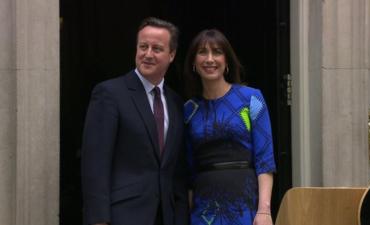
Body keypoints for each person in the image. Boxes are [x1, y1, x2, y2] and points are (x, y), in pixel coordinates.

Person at [81, 17, 189, 225]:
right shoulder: (110, 94)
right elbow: (95, 165)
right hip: (123, 215)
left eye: (157, 48)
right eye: (143, 46)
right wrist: (98, 220)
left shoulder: (176, 102)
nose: (148, 54)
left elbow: (177, 172)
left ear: (172, 55)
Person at [183, 29, 276, 225]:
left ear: (226, 61)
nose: (210, 59)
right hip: (204, 210)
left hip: (245, 204)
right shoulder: (188, 110)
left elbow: (265, 160)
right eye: (202, 52)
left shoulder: (252, 99)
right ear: (193, 62)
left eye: (217, 52)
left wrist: (264, 211)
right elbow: (188, 171)